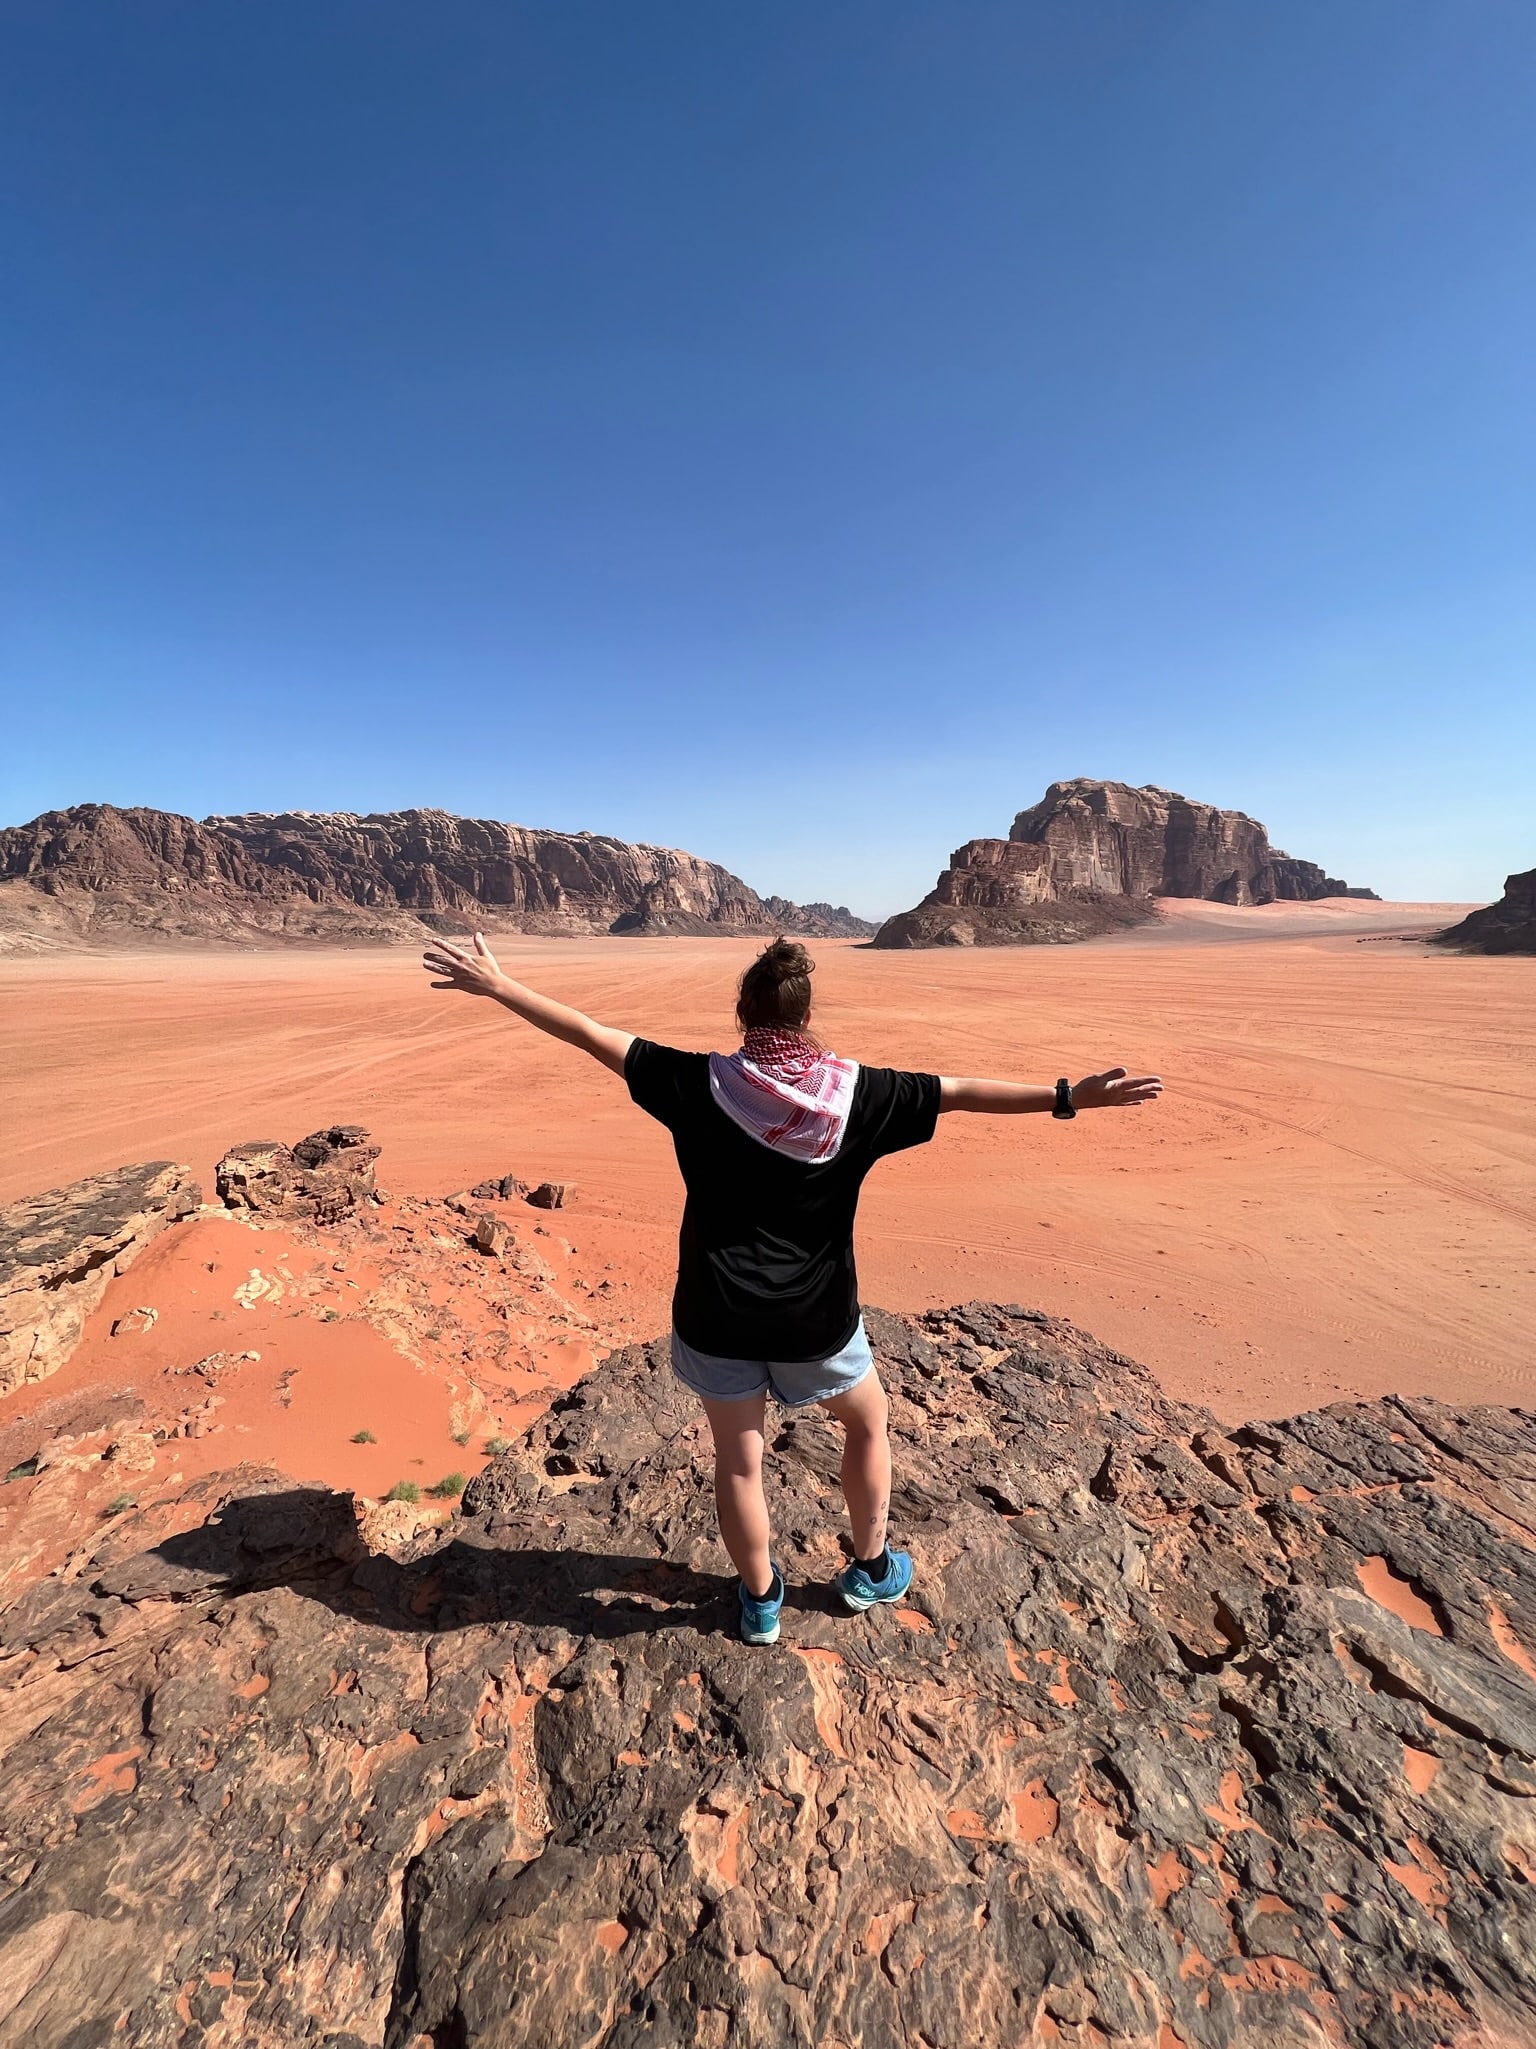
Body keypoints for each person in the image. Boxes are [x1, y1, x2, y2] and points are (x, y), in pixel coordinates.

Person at [423, 932, 1162, 1645]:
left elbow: (589, 1032)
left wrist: (500, 985)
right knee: (867, 1423)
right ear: (807, 1017)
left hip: (716, 1313)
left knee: (739, 1461)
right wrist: (1069, 1095)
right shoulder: (860, 1096)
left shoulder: (694, 1084)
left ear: (743, 1015)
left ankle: (761, 1602)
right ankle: (871, 1569)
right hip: (816, 1320)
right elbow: (961, 1092)